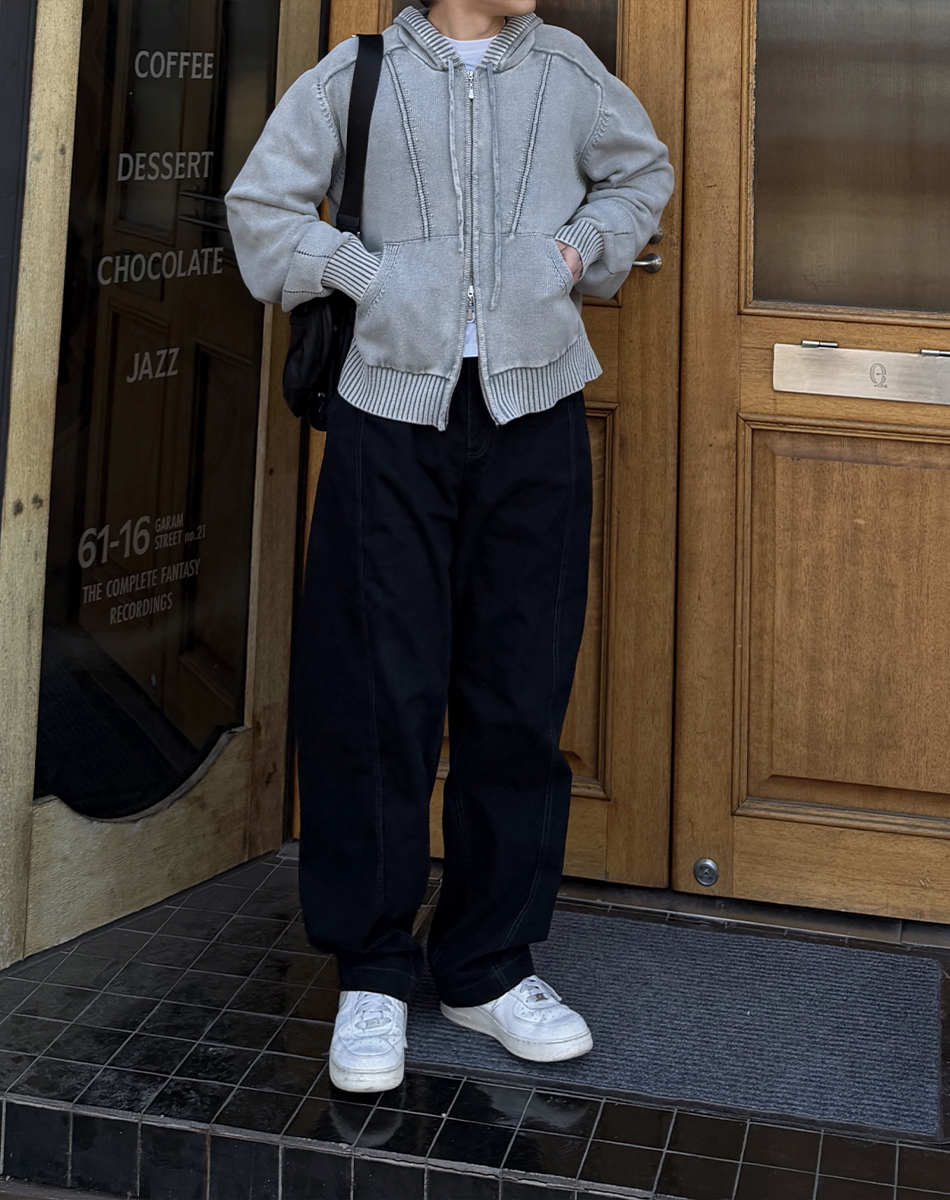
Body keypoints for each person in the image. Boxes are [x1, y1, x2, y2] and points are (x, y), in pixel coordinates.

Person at [225, 0, 673, 1093]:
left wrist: (575, 250)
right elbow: (261, 205)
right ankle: (373, 971)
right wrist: (365, 273)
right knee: (374, 694)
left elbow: (640, 177)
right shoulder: (357, 70)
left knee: (518, 691)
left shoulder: (569, 69)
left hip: (535, 417)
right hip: (387, 417)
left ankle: (486, 964)